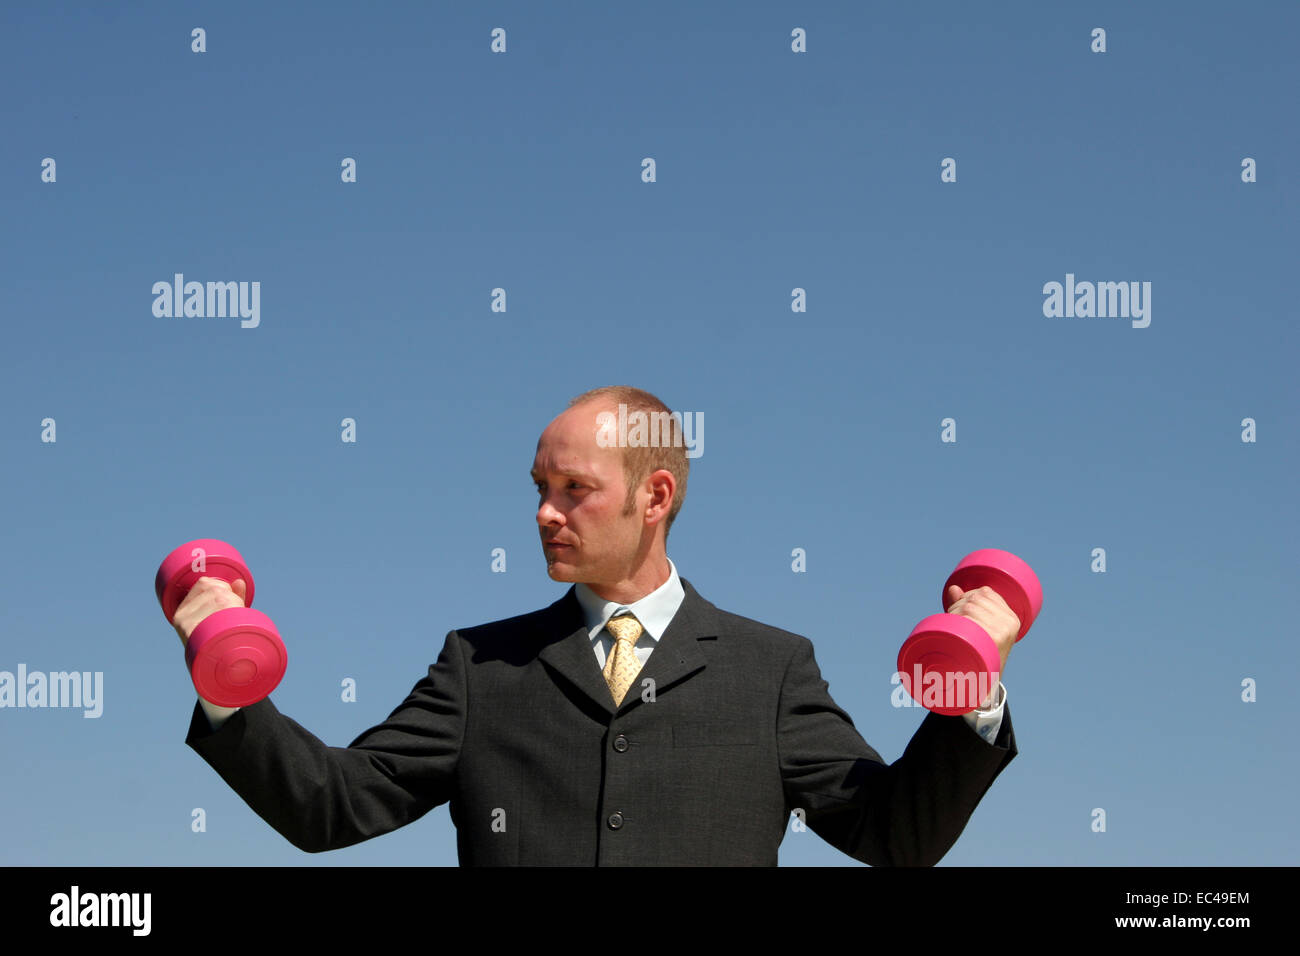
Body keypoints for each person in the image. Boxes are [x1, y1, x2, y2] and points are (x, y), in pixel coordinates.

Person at [179, 385, 1020, 865]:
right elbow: (333, 806)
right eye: (538, 487)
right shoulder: (480, 666)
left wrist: (968, 698)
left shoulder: (771, 671)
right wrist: (228, 690)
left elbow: (894, 834)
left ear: (654, 495)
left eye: (572, 489)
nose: (545, 513)